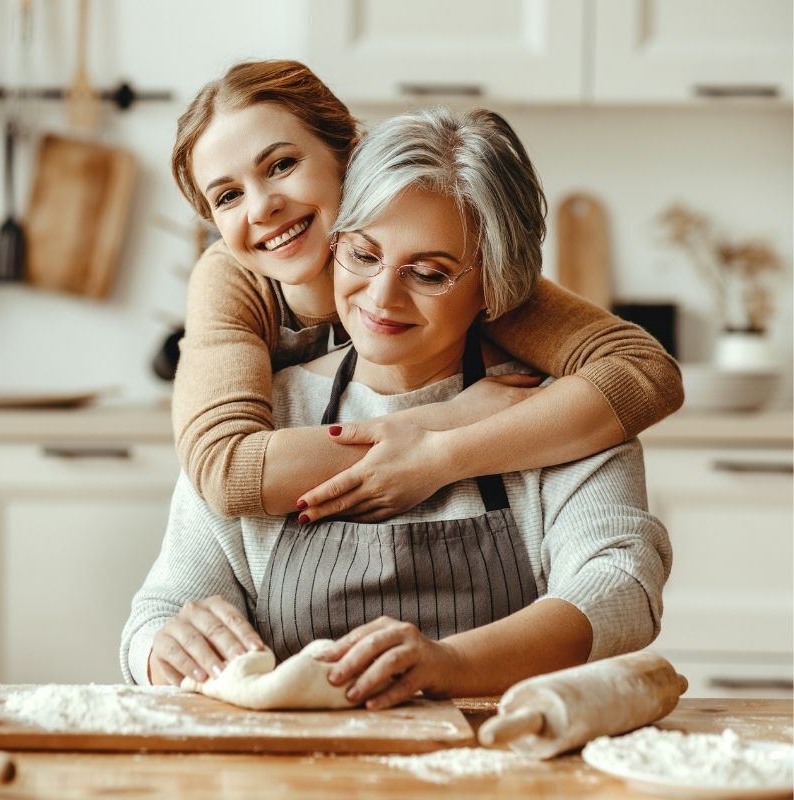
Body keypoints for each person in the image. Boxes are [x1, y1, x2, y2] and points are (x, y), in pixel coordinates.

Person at [123, 107, 672, 710]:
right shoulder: (266, 413)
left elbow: (622, 587)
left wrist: (450, 663)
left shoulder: (556, 413)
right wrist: (163, 647)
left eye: (430, 272)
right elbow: (158, 612)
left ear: (495, 284)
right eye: (361, 254)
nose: (382, 297)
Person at [168, 60, 684, 522]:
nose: (261, 208)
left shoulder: (439, 272)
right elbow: (227, 470)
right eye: (228, 196)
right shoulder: (231, 280)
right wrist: (448, 418)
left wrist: (446, 457)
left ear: (350, 153)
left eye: (281, 165)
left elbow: (643, 372)